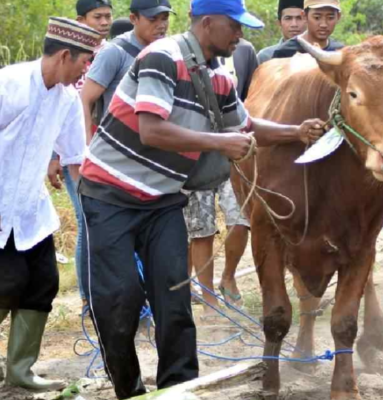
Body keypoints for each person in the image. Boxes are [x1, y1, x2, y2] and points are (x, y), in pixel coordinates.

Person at [77, 0, 326, 396]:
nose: (241, 35)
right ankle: (130, 390)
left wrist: (297, 132)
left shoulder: (218, 77)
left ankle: (178, 390)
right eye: (236, 26)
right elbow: (152, 131)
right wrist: (220, 142)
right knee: (119, 302)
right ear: (208, 24)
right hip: (111, 195)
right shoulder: (162, 57)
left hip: (162, 201)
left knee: (174, 302)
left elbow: (245, 126)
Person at [0, 18, 101, 391]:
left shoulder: (66, 98)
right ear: (63, 55)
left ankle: (20, 374)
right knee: (7, 281)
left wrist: (101, 202)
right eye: (84, 62)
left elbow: (77, 158)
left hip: (29, 209)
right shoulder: (9, 84)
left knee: (43, 282)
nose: (85, 70)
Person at [187, 36, 261, 315]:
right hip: (197, 155)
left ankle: (228, 277)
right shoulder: (182, 55)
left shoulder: (244, 50)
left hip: (234, 148)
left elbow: (250, 98)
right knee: (201, 229)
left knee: (241, 219)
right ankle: (208, 298)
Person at [45, 0, 112, 308]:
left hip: (106, 155)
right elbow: (56, 110)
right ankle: (88, 297)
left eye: (108, 16)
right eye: (97, 16)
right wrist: (55, 157)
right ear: (80, 20)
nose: (104, 22)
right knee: (87, 221)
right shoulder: (63, 56)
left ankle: (106, 291)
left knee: (105, 221)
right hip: (77, 155)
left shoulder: (111, 52)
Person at [81, 0, 173, 144]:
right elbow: (85, 100)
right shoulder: (114, 52)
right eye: (152, 19)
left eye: (165, 18)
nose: (161, 25)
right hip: (117, 146)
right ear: (133, 19)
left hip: (157, 147)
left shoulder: (170, 51)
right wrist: (85, 145)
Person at [271, 0, 344, 59]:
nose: (323, 24)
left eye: (330, 18)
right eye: (317, 18)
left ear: (338, 17)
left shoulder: (340, 51)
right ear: (304, 16)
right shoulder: (285, 52)